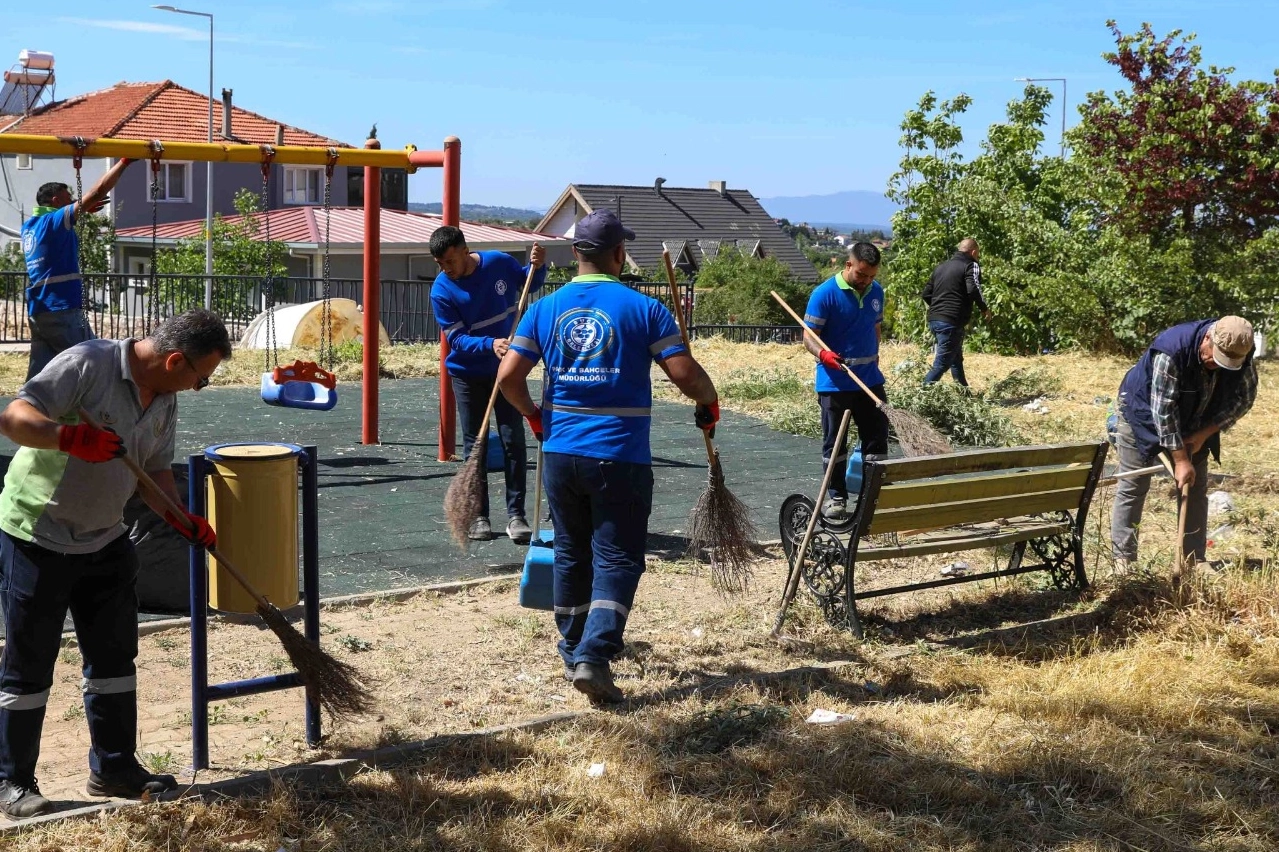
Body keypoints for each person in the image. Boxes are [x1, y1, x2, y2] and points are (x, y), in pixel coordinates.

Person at [0, 309, 230, 819]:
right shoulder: (86, 363)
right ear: (175, 360)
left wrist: (181, 517)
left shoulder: (164, 399)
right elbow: (13, 418)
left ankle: (115, 767)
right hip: (39, 533)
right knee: (29, 662)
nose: (199, 387)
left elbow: (153, 471)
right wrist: (69, 438)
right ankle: (11, 780)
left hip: (105, 538)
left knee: (113, 659)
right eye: (201, 377)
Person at [496, 209, 719, 705]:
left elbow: (508, 378)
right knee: (617, 556)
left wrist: (534, 416)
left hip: (560, 452)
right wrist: (709, 401)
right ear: (619, 254)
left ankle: (573, 647)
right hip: (619, 454)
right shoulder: (644, 308)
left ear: (576, 254)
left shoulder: (544, 308)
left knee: (572, 551)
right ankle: (595, 654)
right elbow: (684, 373)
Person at [1110, 316, 1257, 569]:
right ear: (1208, 338)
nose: (1216, 364)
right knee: (1133, 485)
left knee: (1195, 488)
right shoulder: (1171, 350)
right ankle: (1123, 561)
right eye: (1216, 356)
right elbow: (1162, 411)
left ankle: (1194, 559)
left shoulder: (1240, 351)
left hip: (1195, 420)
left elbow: (1244, 399)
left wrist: (1203, 435)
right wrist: (1180, 459)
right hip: (1142, 414)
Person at [430, 227, 546, 543]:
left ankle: (516, 515)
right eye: (441, 264)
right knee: (474, 444)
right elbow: (456, 338)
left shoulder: (499, 263)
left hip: (506, 371)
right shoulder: (441, 291)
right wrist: (490, 344)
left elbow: (530, 282)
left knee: (512, 438)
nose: (447, 269)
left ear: (465, 249)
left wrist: (540, 264)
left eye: (450, 261)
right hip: (467, 375)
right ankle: (479, 515)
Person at [21, 158, 136, 380]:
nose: (73, 200)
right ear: (56, 201)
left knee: (41, 376)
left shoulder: (30, 226)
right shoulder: (54, 221)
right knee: (95, 361)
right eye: (68, 198)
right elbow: (96, 192)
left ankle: (28, 411)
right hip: (61, 308)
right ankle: (95, 411)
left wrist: (79, 209)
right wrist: (123, 162)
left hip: (40, 310)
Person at [803, 242, 889, 520]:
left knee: (876, 442)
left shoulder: (876, 292)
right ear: (848, 265)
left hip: (870, 382)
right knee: (835, 445)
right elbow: (809, 336)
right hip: (835, 384)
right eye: (862, 275)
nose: (866, 281)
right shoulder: (824, 294)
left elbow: (875, 327)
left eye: (872, 276)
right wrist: (823, 353)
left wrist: (875, 355)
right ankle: (837, 498)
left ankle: (871, 498)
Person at [921, 237, 989, 386]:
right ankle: (921, 393)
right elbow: (973, 288)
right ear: (973, 252)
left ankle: (964, 394)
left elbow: (926, 293)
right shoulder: (971, 265)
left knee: (956, 359)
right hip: (951, 321)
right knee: (942, 364)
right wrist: (984, 308)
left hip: (934, 320)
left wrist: (939, 308)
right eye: (977, 254)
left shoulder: (940, 267)